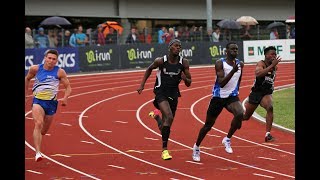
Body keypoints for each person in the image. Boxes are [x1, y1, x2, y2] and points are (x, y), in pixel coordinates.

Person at [137, 39, 192, 160]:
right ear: (170, 47)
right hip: (161, 92)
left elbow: (189, 83)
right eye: (176, 46)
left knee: (165, 126)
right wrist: (142, 85)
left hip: (174, 94)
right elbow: (149, 69)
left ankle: (157, 118)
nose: (178, 48)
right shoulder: (161, 61)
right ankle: (164, 150)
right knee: (169, 116)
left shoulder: (184, 63)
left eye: (180, 46)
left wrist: (184, 78)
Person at [192, 42, 244, 162]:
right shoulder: (220, 63)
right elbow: (221, 83)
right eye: (232, 49)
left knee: (240, 113)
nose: (235, 51)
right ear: (226, 51)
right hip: (218, 97)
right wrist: (232, 71)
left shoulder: (240, 64)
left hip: (231, 96)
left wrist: (236, 91)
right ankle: (196, 147)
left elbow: (239, 78)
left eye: (236, 49)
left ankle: (227, 139)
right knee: (208, 126)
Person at [25, 49, 72, 162]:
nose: (51, 61)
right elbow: (27, 79)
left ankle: (39, 139)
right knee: (38, 123)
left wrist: (65, 97)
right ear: (45, 58)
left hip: (51, 103)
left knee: (43, 131)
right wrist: (26, 94)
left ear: (56, 61)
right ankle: (38, 153)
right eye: (49, 58)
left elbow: (68, 87)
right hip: (38, 101)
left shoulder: (59, 72)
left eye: (53, 59)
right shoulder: (35, 69)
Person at [242, 46, 281, 142]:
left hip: (266, 93)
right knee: (246, 117)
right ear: (266, 55)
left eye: (275, 54)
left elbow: (272, 78)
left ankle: (268, 135)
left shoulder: (275, 66)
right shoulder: (261, 63)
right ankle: (236, 117)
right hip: (256, 92)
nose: (274, 56)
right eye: (272, 54)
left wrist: (271, 86)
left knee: (270, 107)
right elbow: (258, 74)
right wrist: (271, 66)